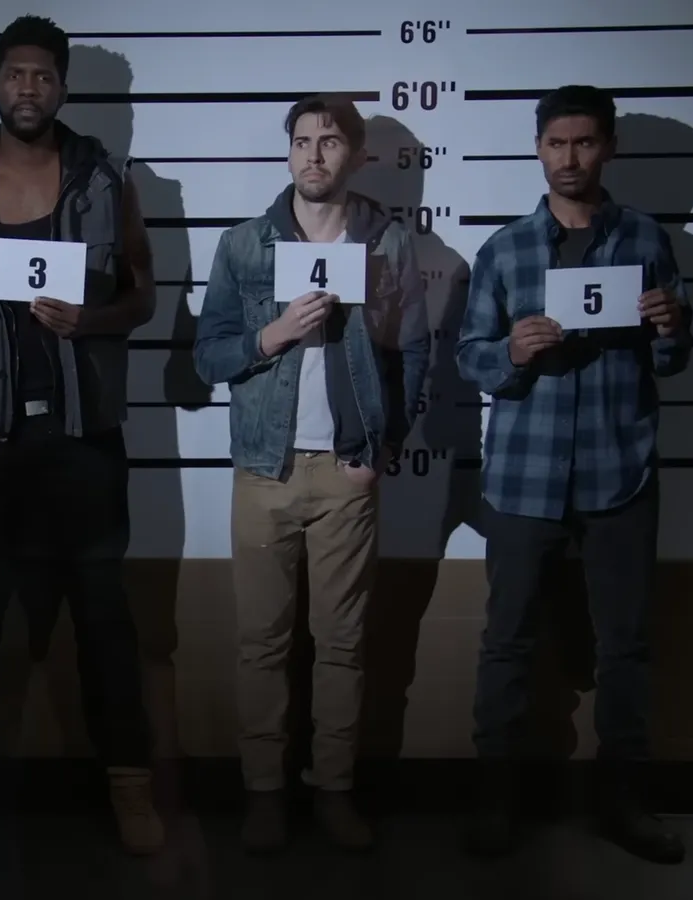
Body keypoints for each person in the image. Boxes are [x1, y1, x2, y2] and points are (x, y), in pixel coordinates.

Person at [0, 15, 164, 855]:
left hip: (86, 441)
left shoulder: (106, 180)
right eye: (14, 74)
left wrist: (93, 321)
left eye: (42, 76)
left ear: (62, 88)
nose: (27, 88)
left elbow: (144, 295)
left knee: (104, 621)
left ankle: (131, 787)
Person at [455, 85, 691, 865]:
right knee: (507, 645)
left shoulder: (647, 239)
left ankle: (624, 803)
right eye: (556, 143)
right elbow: (470, 357)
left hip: (621, 473)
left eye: (585, 142)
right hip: (523, 480)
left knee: (626, 648)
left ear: (608, 148)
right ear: (538, 149)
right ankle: (495, 803)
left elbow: (674, 358)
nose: (569, 158)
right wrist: (511, 353)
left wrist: (671, 328)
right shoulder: (505, 249)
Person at [192, 93, 429, 853]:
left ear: (354, 154)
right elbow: (207, 356)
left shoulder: (389, 243)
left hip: (346, 474)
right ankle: (264, 792)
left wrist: (381, 450)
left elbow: (414, 352)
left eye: (329, 141)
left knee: (342, 646)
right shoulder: (244, 244)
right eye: (301, 141)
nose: (313, 155)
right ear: (288, 152)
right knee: (260, 643)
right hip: (263, 471)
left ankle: (333, 790)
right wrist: (272, 335)